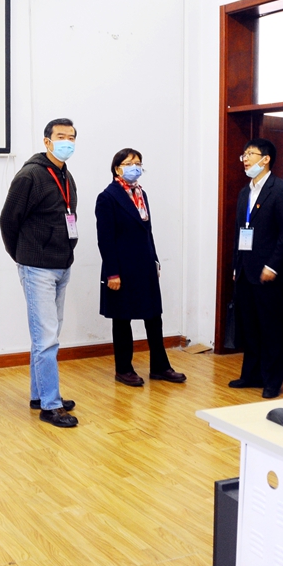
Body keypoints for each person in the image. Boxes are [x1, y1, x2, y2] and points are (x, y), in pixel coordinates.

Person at [0, 119, 80, 428]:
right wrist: (22, 257)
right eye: (61, 136)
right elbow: (8, 220)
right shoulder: (30, 175)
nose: (67, 142)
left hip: (61, 264)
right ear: (47, 141)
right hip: (37, 268)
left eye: (71, 137)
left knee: (47, 335)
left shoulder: (65, 175)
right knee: (46, 339)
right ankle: (50, 405)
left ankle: (40, 394)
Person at [95, 148, 186, 387]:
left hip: (145, 266)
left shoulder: (140, 193)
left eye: (138, 163)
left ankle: (160, 366)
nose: (135, 167)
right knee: (122, 319)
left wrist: (154, 260)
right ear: (117, 168)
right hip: (121, 269)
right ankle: (124, 369)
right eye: (129, 163)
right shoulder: (107, 197)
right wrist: (112, 273)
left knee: (154, 316)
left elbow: (148, 232)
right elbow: (105, 239)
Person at [228, 139, 283, 397]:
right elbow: (239, 232)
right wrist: (236, 265)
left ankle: (272, 381)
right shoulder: (245, 192)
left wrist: (273, 266)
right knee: (250, 326)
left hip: (268, 272)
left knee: (271, 328)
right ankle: (251, 375)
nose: (245, 159)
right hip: (245, 270)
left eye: (250, 154)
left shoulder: (281, 190)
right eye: (243, 154)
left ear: (266, 159)